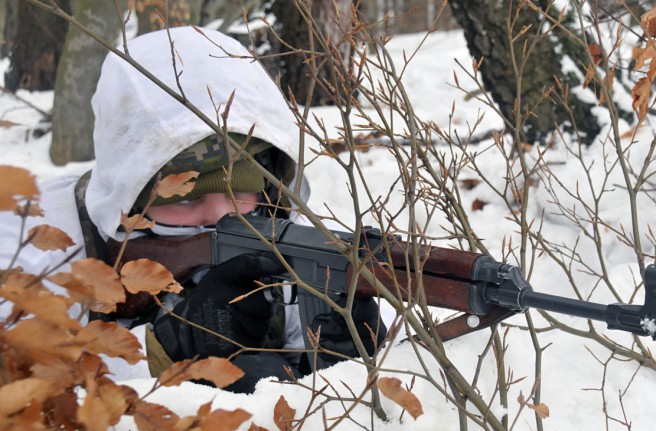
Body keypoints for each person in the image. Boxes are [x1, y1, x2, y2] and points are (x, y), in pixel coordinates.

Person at [0, 26, 385, 393]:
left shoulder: (278, 232)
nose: (222, 218)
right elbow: (24, 400)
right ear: (133, 199)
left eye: (239, 194)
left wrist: (345, 357)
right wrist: (162, 351)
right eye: (185, 198)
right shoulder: (33, 245)